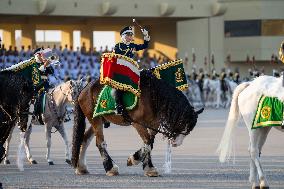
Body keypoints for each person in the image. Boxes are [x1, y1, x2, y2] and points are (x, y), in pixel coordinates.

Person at [112, 26, 150, 115]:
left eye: (131, 35)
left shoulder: (133, 46)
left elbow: (145, 45)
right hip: (120, 70)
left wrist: (146, 35)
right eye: (128, 35)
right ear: (123, 36)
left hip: (130, 69)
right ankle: (119, 106)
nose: (130, 37)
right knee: (119, 87)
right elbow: (116, 57)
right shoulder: (118, 46)